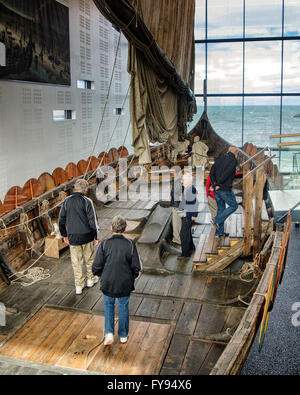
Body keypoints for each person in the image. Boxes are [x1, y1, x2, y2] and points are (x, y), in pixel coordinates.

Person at [92, 215, 142, 346]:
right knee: (123, 306)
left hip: (108, 281)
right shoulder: (130, 244)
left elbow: (96, 265)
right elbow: (137, 267)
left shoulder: (104, 244)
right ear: (124, 229)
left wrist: (100, 275)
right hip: (125, 282)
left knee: (108, 305)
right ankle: (123, 335)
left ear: (111, 228)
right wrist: (131, 277)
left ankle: (109, 333)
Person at [59, 179, 99, 295]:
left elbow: (61, 220)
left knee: (76, 262)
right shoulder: (87, 201)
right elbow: (93, 221)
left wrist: (64, 235)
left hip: (73, 237)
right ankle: (91, 279)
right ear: (85, 189)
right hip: (87, 236)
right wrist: (96, 236)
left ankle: (79, 286)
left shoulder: (66, 201)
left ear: (75, 188)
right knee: (89, 258)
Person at [209, 146, 241, 238]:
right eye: (237, 153)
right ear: (235, 152)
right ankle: (217, 220)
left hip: (216, 189)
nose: (237, 155)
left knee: (221, 209)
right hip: (224, 189)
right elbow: (226, 174)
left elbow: (212, 173)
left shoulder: (219, 158)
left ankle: (219, 233)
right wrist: (218, 184)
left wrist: (214, 185)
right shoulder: (233, 161)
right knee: (234, 206)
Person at [178, 173, 199, 260]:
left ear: (187, 182)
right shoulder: (188, 189)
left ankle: (185, 254)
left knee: (183, 234)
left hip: (188, 215)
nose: (181, 182)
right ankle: (191, 247)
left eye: (183, 180)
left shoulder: (190, 191)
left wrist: (194, 215)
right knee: (187, 232)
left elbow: (195, 203)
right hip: (186, 214)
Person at [170, 171, 184, 246]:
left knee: (179, 222)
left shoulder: (178, 182)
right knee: (177, 223)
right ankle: (177, 239)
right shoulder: (178, 183)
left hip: (178, 206)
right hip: (177, 206)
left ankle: (178, 238)